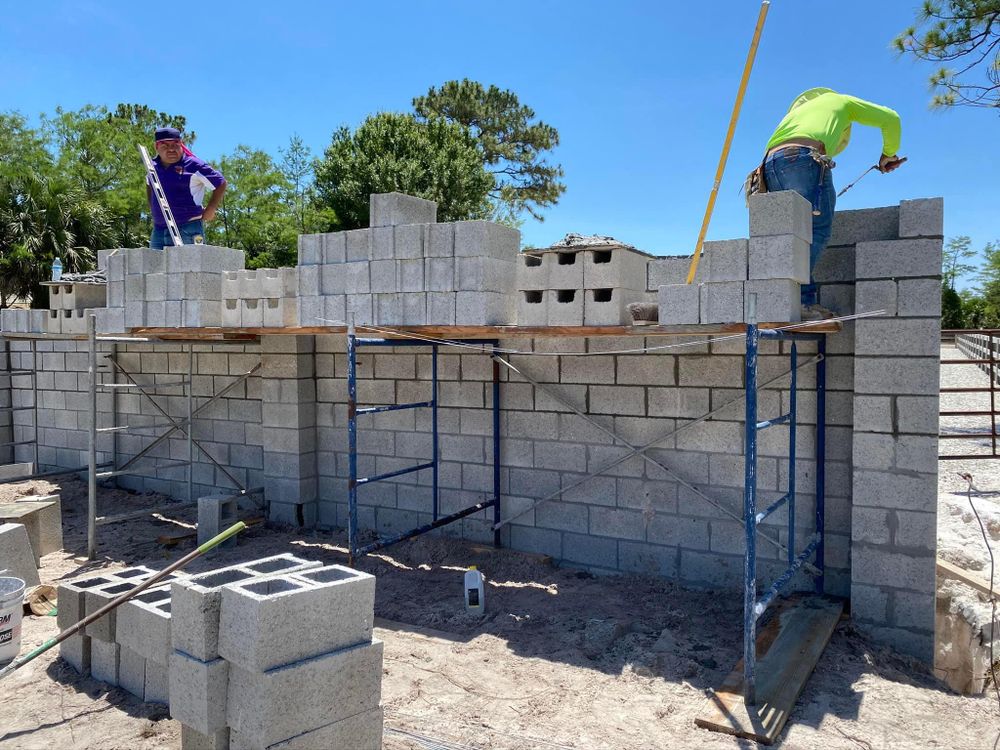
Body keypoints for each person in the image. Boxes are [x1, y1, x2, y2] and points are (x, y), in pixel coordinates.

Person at [760, 88, 905, 319]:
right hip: (805, 157)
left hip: (769, 164)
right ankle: (800, 302)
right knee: (817, 230)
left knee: (792, 234)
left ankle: (788, 297)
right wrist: (889, 153)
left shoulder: (797, 114)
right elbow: (891, 118)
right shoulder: (841, 101)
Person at [147, 126, 227, 250]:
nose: (171, 150)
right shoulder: (152, 166)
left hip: (188, 228)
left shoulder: (194, 165)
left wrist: (211, 209)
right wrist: (152, 208)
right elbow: (149, 184)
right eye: (165, 146)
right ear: (157, 147)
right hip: (159, 230)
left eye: (175, 145)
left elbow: (220, 182)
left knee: (191, 268)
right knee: (154, 268)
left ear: (181, 145)